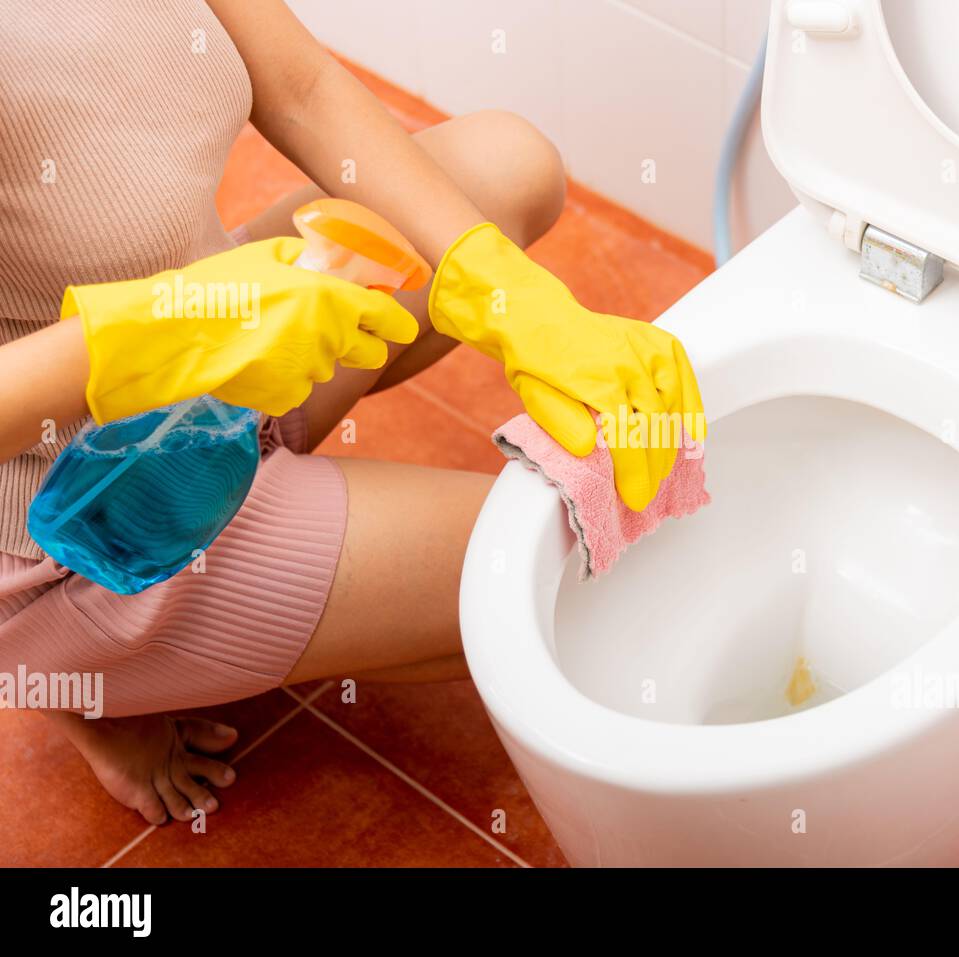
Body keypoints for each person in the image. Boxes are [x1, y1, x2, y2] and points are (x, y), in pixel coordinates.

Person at [0, 0, 704, 826]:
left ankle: (241, 566)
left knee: (508, 166)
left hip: (225, 345)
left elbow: (300, 86)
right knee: (542, 585)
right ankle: (75, 681)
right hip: (76, 515)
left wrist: (509, 297)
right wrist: (159, 333)